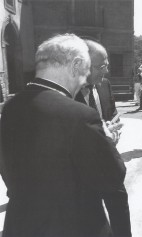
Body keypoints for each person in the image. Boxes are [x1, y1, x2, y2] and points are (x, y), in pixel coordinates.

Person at [0, 34, 126, 237]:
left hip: (21, 224)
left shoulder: (10, 107)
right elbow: (113, 177)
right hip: (73, 226)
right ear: (76, 65)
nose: (86, 78)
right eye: (86, 70)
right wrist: (107, 141)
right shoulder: (80, 114)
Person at [75, 40, 132, 237]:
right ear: (84, 66)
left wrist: (112, 128)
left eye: (107, 65)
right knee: (92, 219)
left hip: (109, 161)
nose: (106, 71)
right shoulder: (67, 94)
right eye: (102, 66)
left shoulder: (104, 84)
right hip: (83, 170)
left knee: (120, 208)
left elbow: (112, 111)